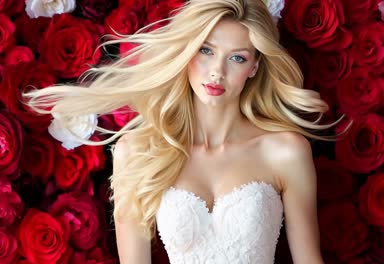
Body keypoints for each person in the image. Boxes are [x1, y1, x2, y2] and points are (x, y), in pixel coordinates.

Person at [23, 0, 342, 263]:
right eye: (206, 50)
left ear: (255, 67)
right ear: (187, 52)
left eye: (237, 58)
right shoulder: (138, 151)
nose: (217, 71)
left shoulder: (285, 152)